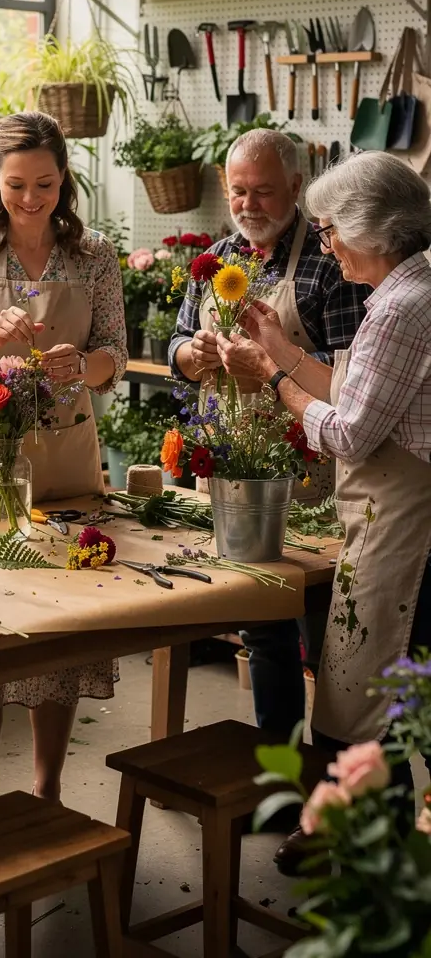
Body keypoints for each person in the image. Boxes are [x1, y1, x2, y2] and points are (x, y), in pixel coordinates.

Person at [215, 151, 431, 869]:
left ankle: (370, 860)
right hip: (386, 516)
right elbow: (355, 390)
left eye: (334, 228)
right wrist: (280, 345)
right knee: (367, 696)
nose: (328, 240)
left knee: (364, 703)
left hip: (402, 526)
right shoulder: (409, 290)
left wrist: (273, 377)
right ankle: (359, 844)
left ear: (373, 228)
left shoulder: (402, 307)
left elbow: (349, 431)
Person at [0, 111, 127, 804]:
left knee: (62, 619)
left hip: (65, 446)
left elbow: (116, 355)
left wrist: (85, 365)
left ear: (64, 178)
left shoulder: (94, 253)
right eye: (16, 185)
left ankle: (47, 786)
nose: (32, 198)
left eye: (45, 183)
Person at [169, 128, 369, 740]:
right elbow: (176, 343)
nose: (248, 204)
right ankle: (279, 763)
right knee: (261, 622)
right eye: (237, 192)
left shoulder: (330, 265)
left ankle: (331, 772)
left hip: (311, 471)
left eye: (263, 191)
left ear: (297, 187)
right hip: (236, 459)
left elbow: (348, 379)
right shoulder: (215, 260)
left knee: (323, 624)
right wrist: (194, 353)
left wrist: (272, 367)